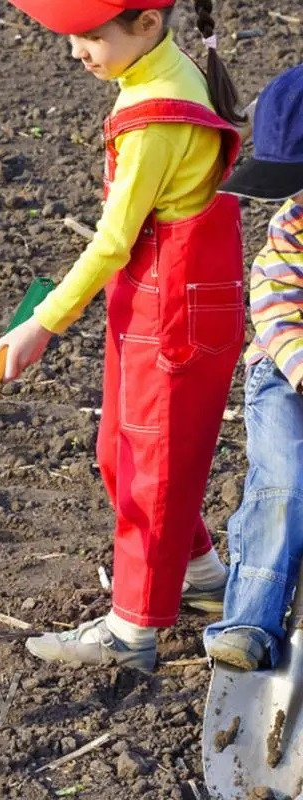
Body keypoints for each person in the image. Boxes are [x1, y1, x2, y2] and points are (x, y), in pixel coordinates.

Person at [0, 0, 246, 672]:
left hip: (170, 320)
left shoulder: (155, 118)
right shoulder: (161, 76)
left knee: (149, 472)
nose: (78, 51)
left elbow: (111, 243)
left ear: (146, 24)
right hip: (168, 309)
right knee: (121, 453)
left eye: (90, 36)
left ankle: (131, 633)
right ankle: (200, 576)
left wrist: (40, 325)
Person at [204, 64, 303, 671]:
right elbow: (273, 303)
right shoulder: (294, 225)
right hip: (283, 369)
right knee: (285, 483)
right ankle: (251, 622)